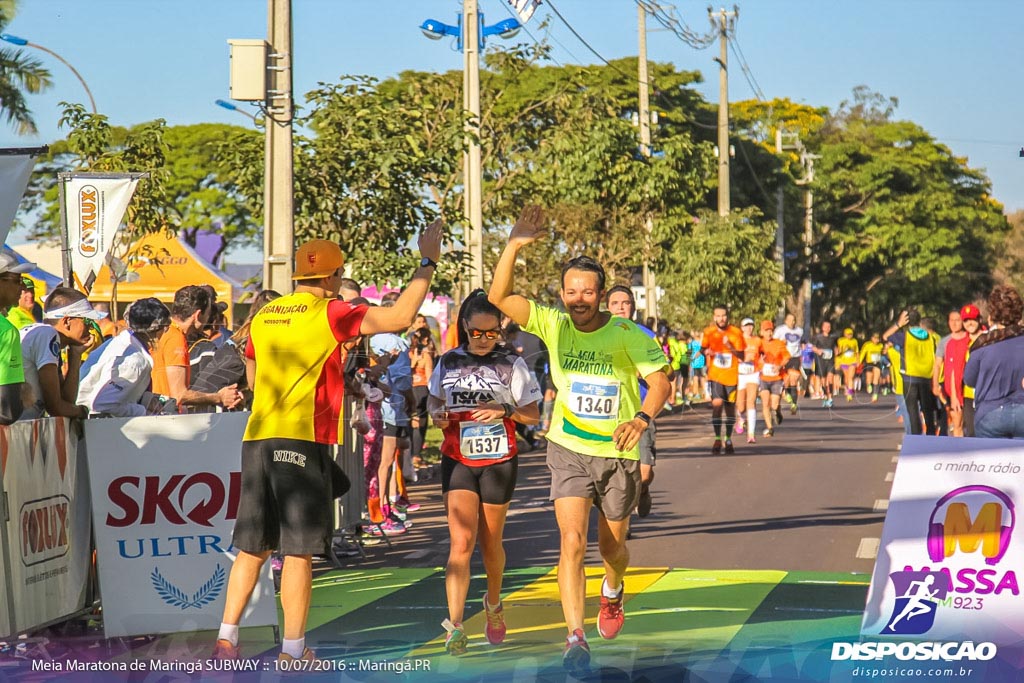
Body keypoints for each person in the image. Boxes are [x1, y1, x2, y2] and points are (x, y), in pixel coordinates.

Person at [214, 221, 443, 664]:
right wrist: (427, 262)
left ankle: (227, 638)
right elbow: (397, 318)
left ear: (298, 275)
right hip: (301, 440)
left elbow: (252, 370)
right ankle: (294, 652)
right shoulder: (332, 312)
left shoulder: (266, 315)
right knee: (298, 552)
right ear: (334, 277)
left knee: (254, 546)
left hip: (259, 436)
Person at [488, 206, 671, 675]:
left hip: (618, 452)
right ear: (562, 294)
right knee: (570, 542)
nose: (578, 299)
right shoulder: (554, 324)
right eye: (570, 291)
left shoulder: (629, 333)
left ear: (601, 294)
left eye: (587, 292)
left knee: (612, 547)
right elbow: (498, 296)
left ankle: (612, 591)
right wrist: (513, 244)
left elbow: (662, 383)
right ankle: (575, 635)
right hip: (568, 447)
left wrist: (643, 419)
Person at [428, 290, 542, 655]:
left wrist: (504, 411)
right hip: (458, 458)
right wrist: (436, 413)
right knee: (461, 542)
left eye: (491, 333)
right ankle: (455, 625)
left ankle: (493, 603)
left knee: (491, 542)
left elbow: (533, 415)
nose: (484, 339)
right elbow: (434, 398)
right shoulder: (447, 362)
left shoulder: (513, 365)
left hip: (498, 461)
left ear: (501, 330)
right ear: (465, 327)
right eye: (477, 333)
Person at [606, 285, 667, 517]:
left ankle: (642, 491)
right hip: (610, 413)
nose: (620, 307)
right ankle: (623, 521)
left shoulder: (646, 335)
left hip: (641, 411)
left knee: (643, 474)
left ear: (633, 306)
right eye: (615, 303)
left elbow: (666, 374)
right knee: (616, 474)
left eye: (625, 303)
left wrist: (645, 371)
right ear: (607, 306)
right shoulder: (599, 334)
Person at [20, 287, 107, 420]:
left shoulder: (45, 335)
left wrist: (75, 356)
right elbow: (55, 407)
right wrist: (82, 412)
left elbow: (65, 402)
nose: (91, 327)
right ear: (66, 322)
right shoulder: (47, 335)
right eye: (88, 321)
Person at [152, 285, 243, 412]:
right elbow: (179, 395)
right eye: (208, 314)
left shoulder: (162, 331)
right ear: (198, 315)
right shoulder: (176, 338)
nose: (208, 320)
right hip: (163, 416)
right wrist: (219, 397)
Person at [78, 298, 174, 417]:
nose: (166, 332)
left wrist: (145, 399)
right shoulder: (133, 360)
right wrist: (144, 411)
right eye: (166, 327)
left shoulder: (121, 343)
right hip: (90, 427)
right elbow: (103, 404)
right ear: (157, 328)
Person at [963, 285, 1024, 439]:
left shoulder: (982, 345)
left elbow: (969, 380)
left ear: (992, 315)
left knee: (992, 462)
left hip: (990, 415)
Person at [885, 309, 939, 435]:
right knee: (928, 411)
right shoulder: (930, 338)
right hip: (926, 377)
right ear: (920, 321)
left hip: (909, 378)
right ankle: (931, 437)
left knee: (913, 412)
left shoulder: (905, 336)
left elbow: (886, 336)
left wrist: (898, 324)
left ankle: (916, 440)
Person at [701, 305, 746, 454]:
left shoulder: (736, 333)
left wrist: (730, 346)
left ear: (728, 316)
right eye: (718, 316)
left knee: (729, 410)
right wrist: (706, 351)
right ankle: (717, 439)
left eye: (724, 315)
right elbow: (702, 349)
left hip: (732, 377)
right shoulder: (709, 332)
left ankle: (728, 438)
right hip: (715, 376)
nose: (721, 318)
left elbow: (741, 356)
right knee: (717, 405)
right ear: (714, 317)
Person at [0, 254, 33, 424]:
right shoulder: (6, 331)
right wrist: (23, 394)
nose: (22, 288)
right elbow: (6, 412)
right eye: (17, 280)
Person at [934, 309, 970, 437]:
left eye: (957, 320)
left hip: (968, 387)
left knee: (969, 424)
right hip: (951, 389)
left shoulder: (970, 339)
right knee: (957, 423)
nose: (954, 323)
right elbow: (937, 364)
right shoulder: (945, 342)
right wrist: (935, 384)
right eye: (952, 320)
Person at [757, 321, 791, 437]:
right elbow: (753, 356)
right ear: (761, 332)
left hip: (777, 377)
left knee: (774, 405)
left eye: (771, 330)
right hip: (763, 378)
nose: (769, 333)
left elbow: (787, 357)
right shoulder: (759, 343)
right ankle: (770, 428)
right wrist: (759, 362)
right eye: (766, 331)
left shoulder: (779, 343)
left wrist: (780, 365)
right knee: (765, 403)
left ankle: (778, 411)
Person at [734, 318, 761, 443]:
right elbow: (732, 355)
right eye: (747, 326)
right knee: (740, 405)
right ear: (742, 328)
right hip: (740, 374)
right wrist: (743, 358)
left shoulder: (757, 340)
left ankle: (751, 434)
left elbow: (764, 354)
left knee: (751, 401)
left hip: (753, 373)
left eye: (751, 325)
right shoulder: (737, 340)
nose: (749, 328)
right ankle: (741, 417)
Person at [959, 304, 984, 436]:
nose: (970, 323)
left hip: (987, 394)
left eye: (973, 319)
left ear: (979, 319)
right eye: (966, 320)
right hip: (968, 395)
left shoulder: (990, 337)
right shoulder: (963, 342)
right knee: (971, 432)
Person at [773, 313, 804, 414]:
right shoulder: (780, 330)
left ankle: (794, 404)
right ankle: (787, 393)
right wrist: (782, 342)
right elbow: (773, 342)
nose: (793, 322)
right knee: (786, 380)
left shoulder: (800, 331)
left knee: (793, 380)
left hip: (794, 357)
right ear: (786, 321)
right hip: (783, 358)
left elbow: (802, 343)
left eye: (794, 320)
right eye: (790, 320)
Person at [811, 321, 838, 407]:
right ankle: (826, 397)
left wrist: (837, 351)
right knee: (823, 381)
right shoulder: (817, 337)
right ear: (822, 328)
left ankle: (830, 398)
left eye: (829, 327)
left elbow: (836, 347)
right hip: (821, 361)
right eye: (826, 327)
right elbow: (812, 347)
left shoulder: (833, 337)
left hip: (830, 361)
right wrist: (818, 351)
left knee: (830, 379)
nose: (828, 328)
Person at [859, 332, 885, 402]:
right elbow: (863, 353)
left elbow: (884, 353)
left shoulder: (881, 345)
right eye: (875, 338)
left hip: (877, 363)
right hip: (869, 363)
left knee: (876, 378)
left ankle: (875, 395)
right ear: (872, 338)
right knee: (869, 378)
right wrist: (859, 362)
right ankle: (869, 385)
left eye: (878, 339)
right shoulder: (867, 345)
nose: (877, 340)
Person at [836, 328, 860, 401]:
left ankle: (849, 393)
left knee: (850, 377)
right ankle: (847, 388)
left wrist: (858, 361)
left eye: (851, 334)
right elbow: (838, 352)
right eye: (848, 334)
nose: (850, 336)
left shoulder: (854, 341)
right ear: (844, 334)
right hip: (843, 361)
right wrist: (838, 362)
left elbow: (857, 352)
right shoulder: (841, 340)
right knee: (846, 378)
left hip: (852, 361)